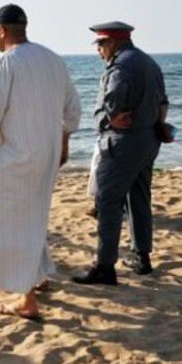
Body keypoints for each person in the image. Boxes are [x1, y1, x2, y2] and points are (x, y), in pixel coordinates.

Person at [0, 4, 81, 320]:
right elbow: (72, 108)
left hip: (16, 157)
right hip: (46, 154)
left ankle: (27, 300)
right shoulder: (52, 59)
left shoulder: (5, 63)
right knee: (35, 215)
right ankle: (39, 276)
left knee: (11, 224)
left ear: (1, 30)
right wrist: (63, 142)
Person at [73, 21, 169, 285]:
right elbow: (163, 103)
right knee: (138, 197)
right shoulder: (150, 63)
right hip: (148, 139)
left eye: (101, 44)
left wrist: (108, 119)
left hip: (123, 141)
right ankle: (142, 257)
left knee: (107, 202)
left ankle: (105, 266)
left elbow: (112, 100)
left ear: (113, 42)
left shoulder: (120, 66)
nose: (99, 50)